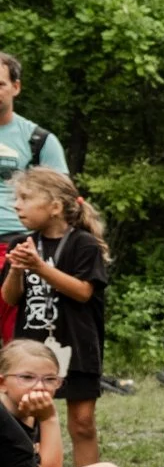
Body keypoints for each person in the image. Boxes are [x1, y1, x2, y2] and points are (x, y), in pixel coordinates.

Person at [1, 169, 109, 466]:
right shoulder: (21, 243)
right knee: (26, 419)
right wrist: (16, 270)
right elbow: (10, 298)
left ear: (55, 206)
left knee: (82, 422)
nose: (17, 205)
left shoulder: (84, 244)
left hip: (77, 345)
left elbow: (83, 292)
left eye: (25, 198)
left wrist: (39, 267)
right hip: (32, 347)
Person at [0, 52, 69, 343]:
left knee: (19, 345)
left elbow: (63, 199)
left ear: (16, 87)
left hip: (17, 248)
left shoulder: (39, 140)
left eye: (0, 84)